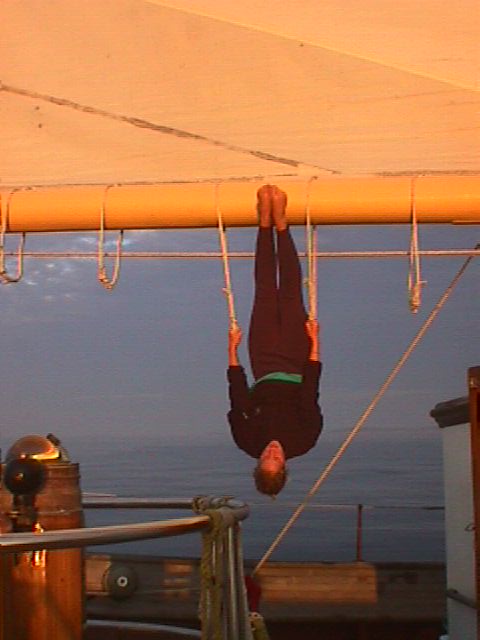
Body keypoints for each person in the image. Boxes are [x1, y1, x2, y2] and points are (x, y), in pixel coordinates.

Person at [227, 184, 323, 497]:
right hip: (297, 360)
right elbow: (309, 393)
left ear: (257, 463)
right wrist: (314, 343)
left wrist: (232, 350)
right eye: (276, 458)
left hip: (263, 362)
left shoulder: (247, 441)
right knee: (291, 291)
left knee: (265, 290)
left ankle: (264, 222)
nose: (271, 451)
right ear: (284, 465)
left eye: (266, 458)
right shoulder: (304, 441)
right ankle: (281, 225)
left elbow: (238, 398)